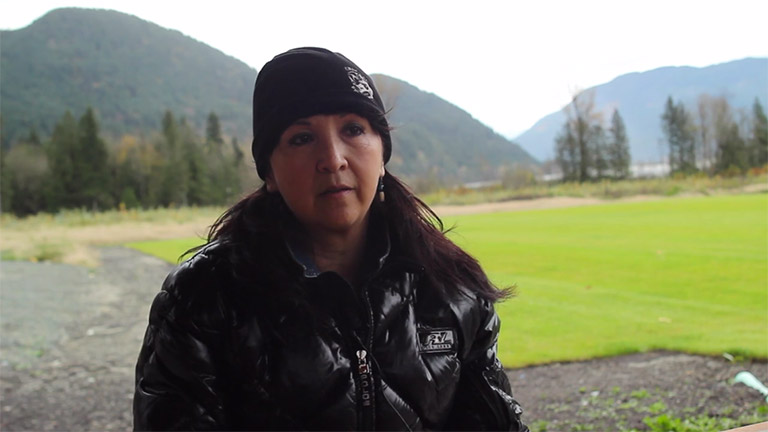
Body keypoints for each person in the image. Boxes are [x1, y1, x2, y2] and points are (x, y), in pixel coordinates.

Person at [133, 47, 527, 431]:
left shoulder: (452, 288)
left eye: (354, 129)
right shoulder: (204, 298)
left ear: (382, 153)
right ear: (269, 172)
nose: (333, 158)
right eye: (301, 138)